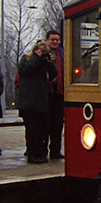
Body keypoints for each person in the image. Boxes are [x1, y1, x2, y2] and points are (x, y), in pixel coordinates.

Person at [17, 40, 58, 163]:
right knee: (32, 130)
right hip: (29, 103)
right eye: (41, 51)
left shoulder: (44, 63)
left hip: (42, 102)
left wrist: (50, 62)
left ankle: (41, 153)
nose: (43, 54)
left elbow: (53, 74)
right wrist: (36, 57)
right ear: (35, 50)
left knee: (43, 130)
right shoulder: (26, 59)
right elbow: (26, 71)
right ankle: (32, 154)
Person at [45, 30, 65, 159]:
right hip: (45, 94)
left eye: (57, 40)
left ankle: (55, 151)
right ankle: (42, 150)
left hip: (59, 93)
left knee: (57, 125)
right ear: (47, 40)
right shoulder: (41, 53)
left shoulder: (62, 54)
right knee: (45, 125)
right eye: (52, 39)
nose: (55, 42)